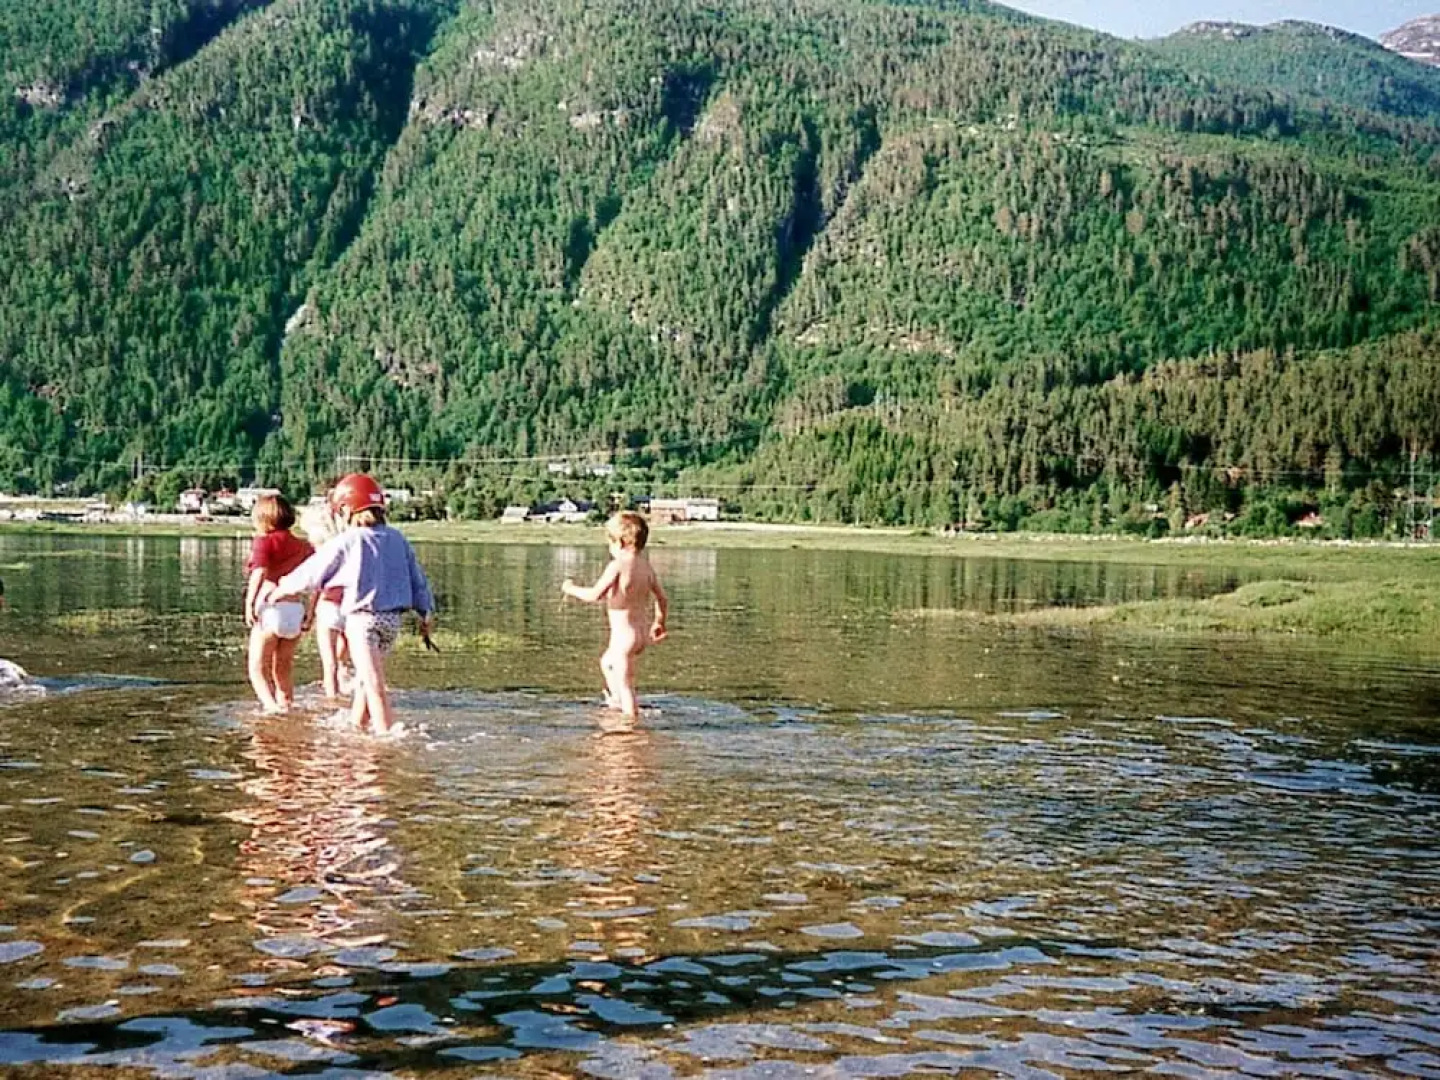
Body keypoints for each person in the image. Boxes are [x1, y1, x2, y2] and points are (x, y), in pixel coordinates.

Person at [271, 474, 435, 736]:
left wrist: (281, 588)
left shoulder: (350, 539)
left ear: (346, 510)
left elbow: (314, 570)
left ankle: (386, 735)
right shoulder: (397, 538)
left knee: (372, 683)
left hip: (362, 621)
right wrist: (426, 612)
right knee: (363, 682)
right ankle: (356, 727)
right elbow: (418, 579)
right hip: (391, 622)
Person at [561, 511, 668, 728]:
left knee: (626, 684)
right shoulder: (646, 567)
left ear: (619, 542)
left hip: (624, 639)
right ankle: (616, 702)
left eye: (609, 543)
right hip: (640, 634)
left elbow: (594, 595)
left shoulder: (617, 565)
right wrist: (659, 622)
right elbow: (662, 598)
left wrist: (570, 589)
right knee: (607, 663)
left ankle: (630, 725)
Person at [244, 494, 315, 714]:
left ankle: (271, 708)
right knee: (283, 667)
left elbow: (260, 573)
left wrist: (249, 603)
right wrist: (311, 612)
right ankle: (287, 705)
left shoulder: (264, 542)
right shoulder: (304, 546)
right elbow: (316, 580)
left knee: (257, 667)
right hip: (295, 610)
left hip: (271, 608)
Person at [299, 498, 350, 700]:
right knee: (345, 655)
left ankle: (332, 698)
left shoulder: (322, 556)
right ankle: (346, 677)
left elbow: (317, 589)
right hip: (352, 607)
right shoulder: (350, 551)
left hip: (329, 607)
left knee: (329, 664)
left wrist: (310, 616)